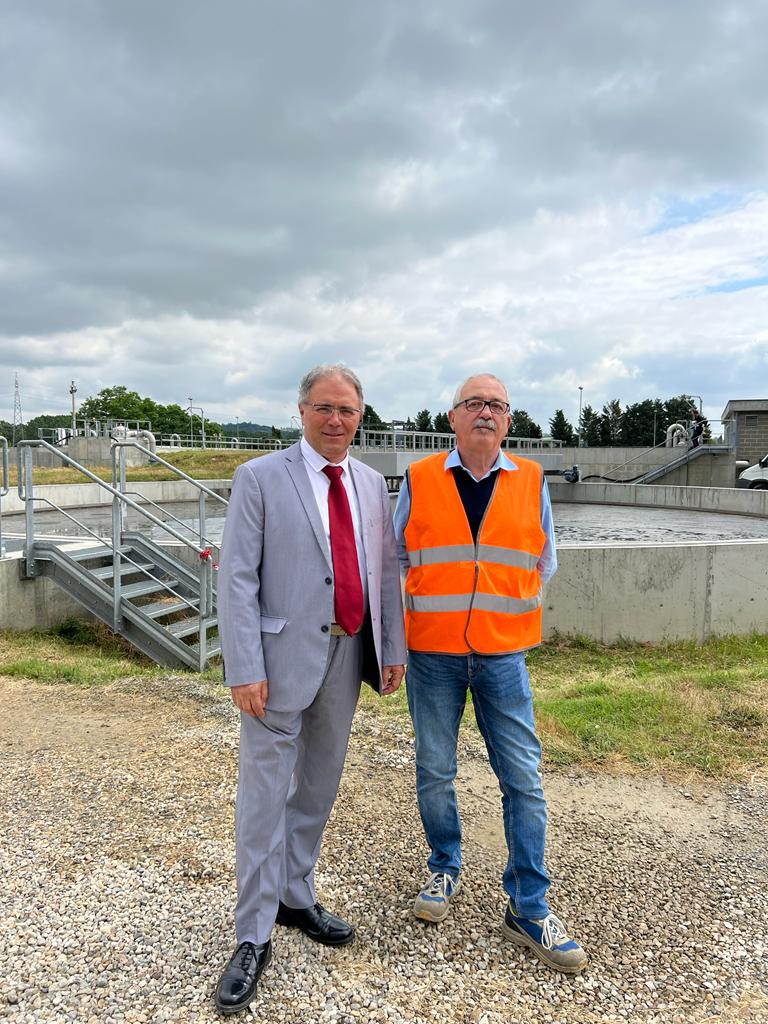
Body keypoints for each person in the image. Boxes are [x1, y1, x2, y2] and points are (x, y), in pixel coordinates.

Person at [215, 364, 406, 1015]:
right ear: (301, 411)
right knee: (264, 798)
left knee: (319, 786)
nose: (334, 420)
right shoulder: (260, 477)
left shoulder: (371, 484)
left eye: (346, 410)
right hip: (276, 662)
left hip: (348, 654)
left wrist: (392, 649)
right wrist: (244, 665)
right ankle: (252, 933)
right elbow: (238, 578)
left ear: (360, 417)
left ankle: (294, 896)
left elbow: (384, 570)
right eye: (323, 407)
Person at [393, 373, 587, 975]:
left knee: (523, 779)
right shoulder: (420, 477)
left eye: (496, 405)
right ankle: (444, 866)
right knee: (435, 769)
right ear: (452, 417)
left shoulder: (531, 479)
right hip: (433, 655)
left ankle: (529, 905)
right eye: (474, 403)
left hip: (504, 655)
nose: (485, 412)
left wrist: (501, 611)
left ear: (508, 420)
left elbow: (544, 560)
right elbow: (396, 557)